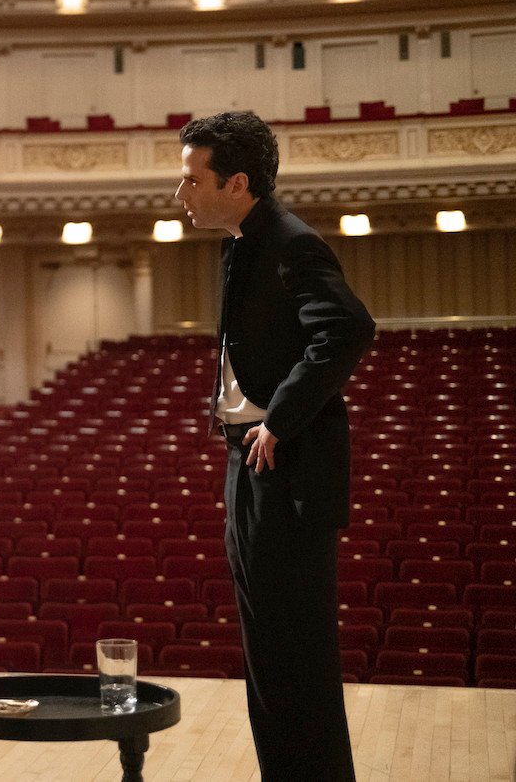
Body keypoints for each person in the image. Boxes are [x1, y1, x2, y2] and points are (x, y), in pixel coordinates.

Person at [175, 112, 375, 781]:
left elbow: (347, 328)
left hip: (286, 469)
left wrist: (281, 419)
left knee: (296, 664)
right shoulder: (243, 242)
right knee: (268, 661)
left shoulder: (291, 243)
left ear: (237, 183)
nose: (181, 195)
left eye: (191, 179)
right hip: (252, 463)